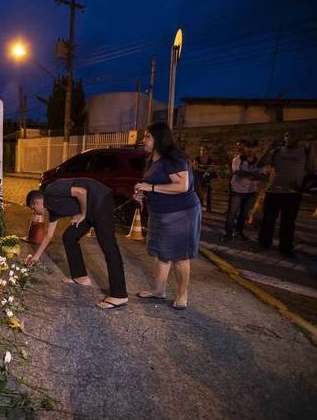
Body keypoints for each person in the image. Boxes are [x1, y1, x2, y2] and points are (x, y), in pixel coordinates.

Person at [24, 178, 128, 310]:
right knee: (69, 237)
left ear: (37, 202)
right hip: (88, 209)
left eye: (33, 208)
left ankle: (119, 295)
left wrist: (82, 214)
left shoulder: (52, 189)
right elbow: (48, 236)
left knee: (109, 247)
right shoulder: (53, 211)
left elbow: (81, 192)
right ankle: (80, 277)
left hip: (100, 200)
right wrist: (35, 258)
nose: (35, 211)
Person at [133, 123, 201, 310]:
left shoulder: (174, 159)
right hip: (160, 213)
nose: (144, 140)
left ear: (159, 139)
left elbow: (182, 186)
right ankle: (159, 291)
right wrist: (142, 192)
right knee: (162, 254)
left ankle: (182, 294)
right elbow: (154, 184)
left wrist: (151, 188)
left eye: (147, 136)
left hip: (181, 213)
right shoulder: (154, 159)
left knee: (180, 256)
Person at [253, 131, 314, 257]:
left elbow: (311, 170)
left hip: (292, 193)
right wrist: (270, 148)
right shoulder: (277, 151)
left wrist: (311, 151)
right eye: (286, 135)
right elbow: (260, 164)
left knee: (288, 222)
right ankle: (264, 243)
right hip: (273, 191)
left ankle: (285, 248)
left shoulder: (304, 151)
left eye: (292, 135)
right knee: (268, 220)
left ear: (298, 138)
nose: (288, 138)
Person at [220, 140, 266, 243]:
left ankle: (239, 231)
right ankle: (228, 233)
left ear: (256, 149)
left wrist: (248, 174)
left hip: (250, 191)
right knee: (232, 213)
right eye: (248, 148)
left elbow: (262, 176)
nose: (250, 150)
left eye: (253, 148)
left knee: (244, 213)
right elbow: (237, 172)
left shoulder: (259, 162)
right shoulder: (238, 159)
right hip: (237, 190)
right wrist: (254, 175)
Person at [191, 145, 215, 211]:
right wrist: (205, 170)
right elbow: (196, 168)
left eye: (204, 150)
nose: (202, 151)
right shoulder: (197, 159)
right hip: (198, 175)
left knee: (206, 179)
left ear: (207, 151)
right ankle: (200, 198)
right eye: (201, 150)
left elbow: (211, 168)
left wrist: (206, 171)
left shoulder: (210, 160)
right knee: (198, 180)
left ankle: (201, 198)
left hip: (206, 175)